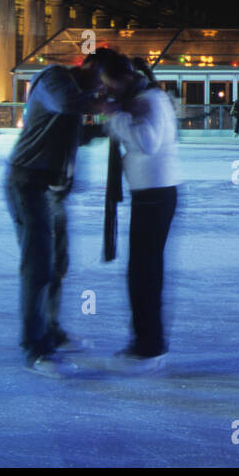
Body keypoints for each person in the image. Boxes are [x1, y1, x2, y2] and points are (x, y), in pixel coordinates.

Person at [4, 61, 103, 374]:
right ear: (85, 68)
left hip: (52, 190)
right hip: (28, 183)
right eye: (100, 80)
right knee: (38, 267)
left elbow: (76, 128)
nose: (101, 88)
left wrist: (111, 126)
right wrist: (109, 104)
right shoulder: (55, 80)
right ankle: (35, 346)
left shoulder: (74, 92)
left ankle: (51, 330)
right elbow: (66, 104)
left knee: (57, 265)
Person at [89, 47, 181, 367]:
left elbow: (148, 142)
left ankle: (149, 344)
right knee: (142, 272)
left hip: (156, 195)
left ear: (124, 78)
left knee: (144, 273)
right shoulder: (141, 99)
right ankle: (146, 340)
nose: (106, 90)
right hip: (151, 194)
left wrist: (114, 113)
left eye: (108, 84)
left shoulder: (150, 100)